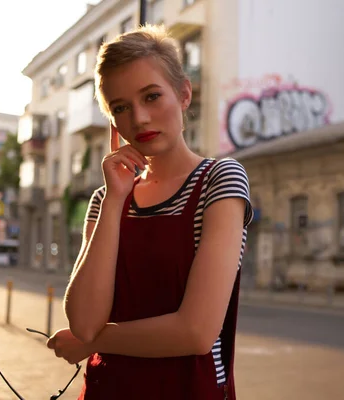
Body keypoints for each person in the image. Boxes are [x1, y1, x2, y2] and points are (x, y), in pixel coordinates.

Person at [46, 24, 253, 399]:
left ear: (184, 94)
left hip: (191, 390)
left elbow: (196, 332)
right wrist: (114, 200)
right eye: (121, 107)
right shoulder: (106, 198)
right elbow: (83, 320)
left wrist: (93, 343)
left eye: (152, 96)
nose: (139, 118)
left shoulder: (219, 180)